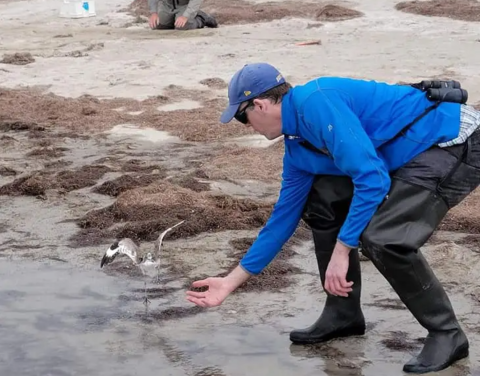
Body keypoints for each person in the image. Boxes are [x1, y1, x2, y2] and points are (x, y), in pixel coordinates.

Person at [186, 62, 480, 374]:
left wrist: (343, 248)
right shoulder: (297, 147)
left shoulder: (317, 103)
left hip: (454, 140)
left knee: (385, 238)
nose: (246, 125)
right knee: (321, 199)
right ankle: (343, 314)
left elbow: (373, 180)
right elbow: (281, 221)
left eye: (242, 117)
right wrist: (230, 282)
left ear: (259, 104)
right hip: (407, 153)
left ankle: (447, 334)